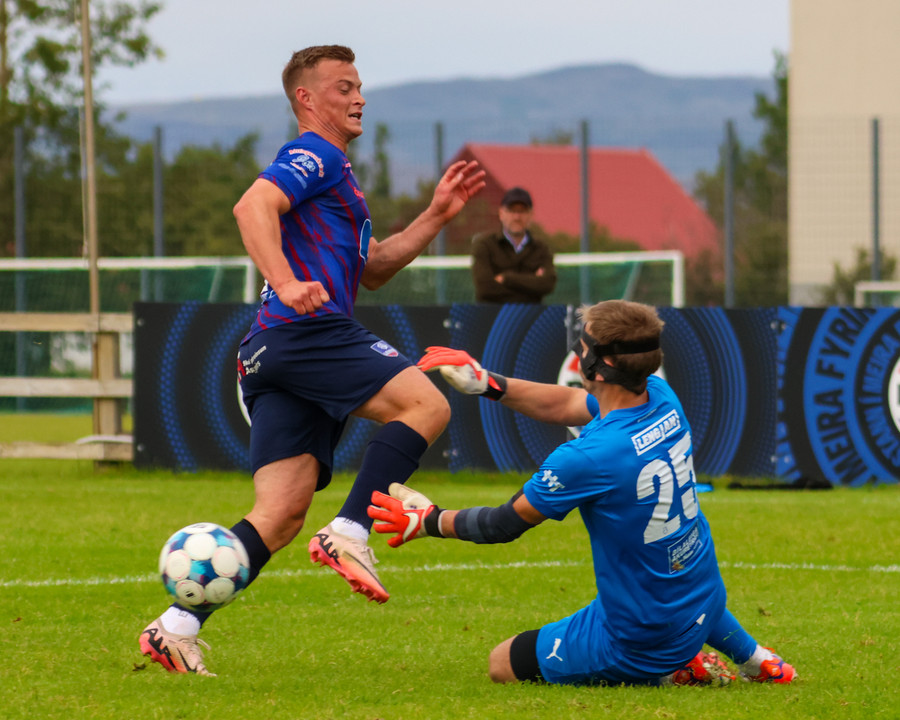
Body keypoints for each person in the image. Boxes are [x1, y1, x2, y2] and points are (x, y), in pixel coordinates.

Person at [138, 44, 485, 676]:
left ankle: (175, 628)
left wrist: (436, 215)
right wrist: (286, 281)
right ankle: (350, 530)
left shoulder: (338, 176)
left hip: (271, 349)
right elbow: (251, 206)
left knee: (279, 516)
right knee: (426, 404)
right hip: (305, 331)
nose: (359, 98)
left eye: (359, 87)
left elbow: (373, 268)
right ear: (306, 98)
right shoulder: (315, 154)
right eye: (343, 87)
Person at [368, 300, 796, 687]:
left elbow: (503, 524)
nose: (578, 351)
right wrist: (487, 383)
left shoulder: (589, 457)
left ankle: (674, 670)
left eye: (583, 344)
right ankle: (759, 660)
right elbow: (565, 404)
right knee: (679, 587)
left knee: (502, 662)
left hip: (642, 635)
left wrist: (429, 520)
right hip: (701, 591)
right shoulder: (660, 396)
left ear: (601, 364)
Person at [471, 187, 557, 303]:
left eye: (522, 211)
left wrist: (506, 278)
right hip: (493, 314)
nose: (517, 217)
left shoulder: (541, 248)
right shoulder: (485, 245)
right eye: (511, 211)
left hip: (531, 314)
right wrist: (532, 285)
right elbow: (485, 288)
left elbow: (547, 284)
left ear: (531, 214)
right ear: (501, 213)